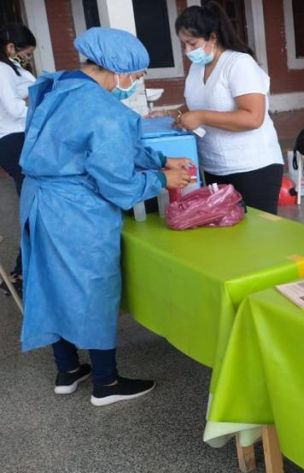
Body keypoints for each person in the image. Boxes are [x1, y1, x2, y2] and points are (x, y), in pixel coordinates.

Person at [19, 27, 193, 406]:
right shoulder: (105, 111)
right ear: (118, 70)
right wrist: (161, 179)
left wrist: (161, 159)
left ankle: (67, 370)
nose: (134, 83)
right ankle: (106, 382)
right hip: (76, 209)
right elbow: (118, 184)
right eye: (136, 75)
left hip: (38, 202)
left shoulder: (57, 87)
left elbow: (108, 148)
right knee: (94, 286)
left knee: (49, 282)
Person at [157, 0, 283, 214]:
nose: (187, 50)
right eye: (183, 44)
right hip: (214, 166)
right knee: (225, 230)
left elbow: (253, 118)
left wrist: (201, 117)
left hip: (253, 167)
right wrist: (172, 113)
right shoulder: (197, 68)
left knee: (257, 232)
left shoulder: (238, 64)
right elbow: (197, 102)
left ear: (213, 37)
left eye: (192, 43)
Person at [0, 22, 36, 295]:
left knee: (34, 205)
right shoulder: (1, 69)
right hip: (13, 141)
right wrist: (40, 101)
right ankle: (21, 272)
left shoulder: (14, 69)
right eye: (26, 53)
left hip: (21, 138)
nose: (28, 59)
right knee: (33, 206)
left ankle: (23, 271)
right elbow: (14, 109)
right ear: (11, 47)